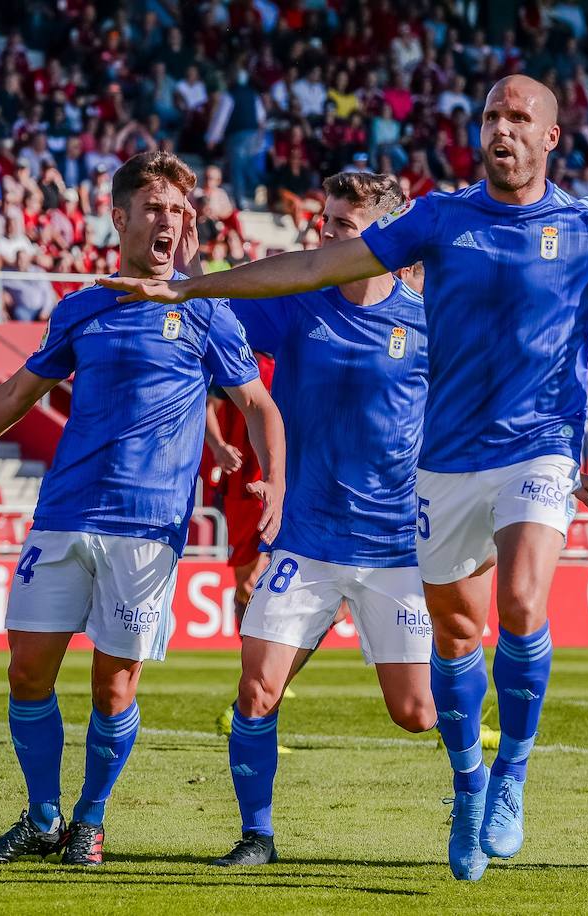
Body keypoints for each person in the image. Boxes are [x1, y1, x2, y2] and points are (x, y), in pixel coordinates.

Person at [100, 74, 588, 882]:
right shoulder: (439, 218)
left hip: (540, 448)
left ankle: (513, 771)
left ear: (550, 136)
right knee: (457, 643)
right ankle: (469, 784)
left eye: (520, 117)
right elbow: (316, 264)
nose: (503, 128)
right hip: (446, 466)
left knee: (521, 603)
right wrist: (189, 285)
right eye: (492, 115)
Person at [0, 151, 286, 867]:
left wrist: (276, 481)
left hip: (148, 528)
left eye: (178, 211)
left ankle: (90, 820)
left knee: (114, 685)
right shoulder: (82, 307)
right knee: (26, 671)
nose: (168, 222)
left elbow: (257, 404)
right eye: (154, 208)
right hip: (63, 514)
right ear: (120, 218)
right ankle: (43, 818)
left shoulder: (204, 310)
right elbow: (16, 394)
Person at [207, 171, 444, 867]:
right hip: (305, 538)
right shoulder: (296, 304)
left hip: (395, 548)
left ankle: (479, 777)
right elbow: (216, 309)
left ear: (385, 236)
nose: (327, 236)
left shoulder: (428, 322)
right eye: (326, 222)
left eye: (344, 225)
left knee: (416, 714)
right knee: (256, 690)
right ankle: (257, 836)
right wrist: (189, 268)